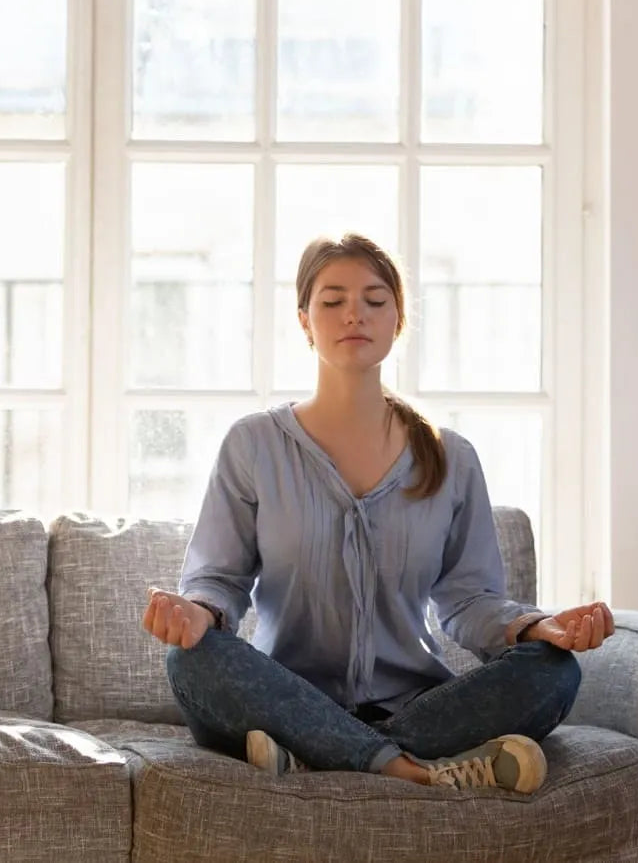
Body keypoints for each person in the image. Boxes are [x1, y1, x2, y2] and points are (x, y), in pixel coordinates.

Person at [143, 233, 611, 792]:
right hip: (283, 698)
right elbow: (218, 579)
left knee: (553, 671)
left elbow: (469, 601)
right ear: (303, 320)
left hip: (414, 704)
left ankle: (323, 754)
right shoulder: (253, 445)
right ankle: (410, 769)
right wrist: (197, 611)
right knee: (190, 661)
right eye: (332, 300)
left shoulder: (451, 457)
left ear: (398, 318)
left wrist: (538, 627)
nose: (354, 315)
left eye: (374, 299)